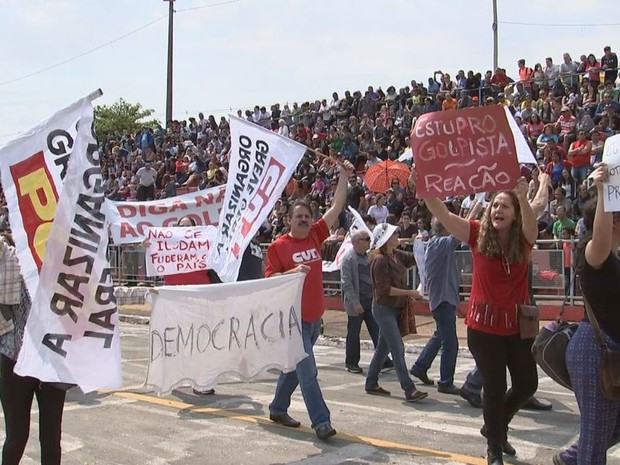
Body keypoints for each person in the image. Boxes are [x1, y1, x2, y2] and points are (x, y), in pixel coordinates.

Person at [415, 169, 539, 465]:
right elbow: (442, 214)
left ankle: (494, 426)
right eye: (495, 205)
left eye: (505, 206)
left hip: (518, 326)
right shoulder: (475, 233)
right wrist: (425, 184)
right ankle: (493, 447)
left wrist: (523, 197)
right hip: (483, 328)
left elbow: (532, 228)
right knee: (494, 388)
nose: (498, 209)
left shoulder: (523, 239)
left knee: (527, 384)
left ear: (515, 214)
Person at [265, 160, 355, 441]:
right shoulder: (278, 246)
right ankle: (321, 422)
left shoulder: (316, 234)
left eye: (307, 216)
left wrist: (343, 177)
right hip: (293, 322)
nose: (304, 220)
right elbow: (269, 280)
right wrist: (292, 271)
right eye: (298, 216)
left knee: (294, 367)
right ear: (288, 220)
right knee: (308, 371)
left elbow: (336, 207)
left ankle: (278, 407)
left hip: (314, 319)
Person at [554, 163, 620, 465]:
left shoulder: (614, 257)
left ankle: (573, 456)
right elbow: (602, 240)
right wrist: (606, 190)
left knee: (604, 430)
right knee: (596, 442)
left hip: (609, 349)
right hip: (596, 350)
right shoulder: (593, 252)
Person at [0, 231, 67, 465]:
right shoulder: (10, 263)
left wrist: (148, 294)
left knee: (51, 438)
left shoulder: (62, 275)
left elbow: (103, 296)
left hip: (50, 364)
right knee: (17, 436)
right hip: (15, 362)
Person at [364, 223, 428, 403]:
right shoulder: (380, 260)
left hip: (393, 308)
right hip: (383, 308)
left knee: (383, 348)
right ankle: (409, 389)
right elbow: (384, 290)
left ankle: (371, 382)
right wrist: (410, 293)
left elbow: (414, 258)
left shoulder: (395, 255)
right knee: (397, 347)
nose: (397, 235)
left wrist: (420, 245)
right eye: (394, 233)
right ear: (385, 239)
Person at [409, 217, 460, 394]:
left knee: (439, 336)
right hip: (443, 300)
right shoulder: (441, 243)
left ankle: (420, 366)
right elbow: (460, 235)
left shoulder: (436, 243)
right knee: (450, 343)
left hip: (442, 299)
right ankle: (446, 381)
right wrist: (473, 213)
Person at [340, 229, 382, 374]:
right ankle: (351, 362)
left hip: (370, 301)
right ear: (358, 241)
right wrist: (354, 302)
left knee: (376, 330)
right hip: (357, 302)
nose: (369, 242)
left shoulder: (368, 256)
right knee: (353, 333)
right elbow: (346, 283)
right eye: (366, 239)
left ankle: (382, 359)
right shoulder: (348, 259)